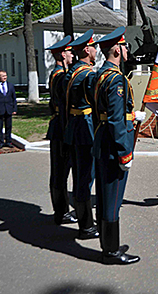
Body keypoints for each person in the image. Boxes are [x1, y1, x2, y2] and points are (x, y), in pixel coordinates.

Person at [92, 27, 146, 264]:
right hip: (114, 146)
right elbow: (115, 119)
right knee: (113, 199)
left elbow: (107, 114)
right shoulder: (116, 79)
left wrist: (131, 116)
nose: (126, 50)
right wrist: (125, 153)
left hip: (102, 141)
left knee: (105, 197)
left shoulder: (100, 75)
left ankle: (107, 244)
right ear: (116, 49)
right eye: (124, 46)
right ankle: (111, 252)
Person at [63, 29, 99, 240]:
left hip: (74, 128)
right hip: (85, 131)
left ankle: (82, 217)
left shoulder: (71, 72)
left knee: (79, 176)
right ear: (87, 49)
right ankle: (86, 226)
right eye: (93, 47)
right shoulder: (88, 74)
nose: (96, 51)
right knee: (85, 179)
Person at [45, 36, 77, 226]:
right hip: (60, 128)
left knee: (60, 171)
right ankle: (61, 211)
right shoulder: (59, 76)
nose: (72, 54)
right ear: (62, 54)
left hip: (58, 126)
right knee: (59, 172)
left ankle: (61, 210)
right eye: (69, 51)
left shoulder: (58, 74)